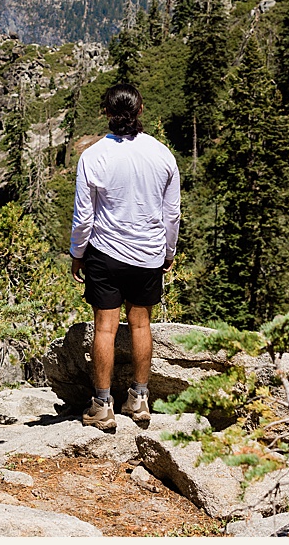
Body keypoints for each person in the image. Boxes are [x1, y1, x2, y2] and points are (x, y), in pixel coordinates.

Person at [68, 82, 183, 429]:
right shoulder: (162, 154)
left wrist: (77, 252)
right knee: (141, 323)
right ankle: (140, 399)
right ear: (140, 111)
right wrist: (168, 251)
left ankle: (102, 405)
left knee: (105, 327)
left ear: (106, 113)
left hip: (105, 253)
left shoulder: (93, 156)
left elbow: (83, 215)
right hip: (148, 253)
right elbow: (172, 213)